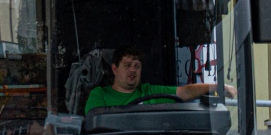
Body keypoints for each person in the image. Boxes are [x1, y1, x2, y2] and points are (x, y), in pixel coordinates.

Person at [85, 47, 236, 113]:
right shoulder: (99, 94)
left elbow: (184, 92)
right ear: (114, 69)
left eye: (137, 66)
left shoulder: (150, 91)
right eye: (127, 65)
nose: (133, 70)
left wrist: (217, 86)